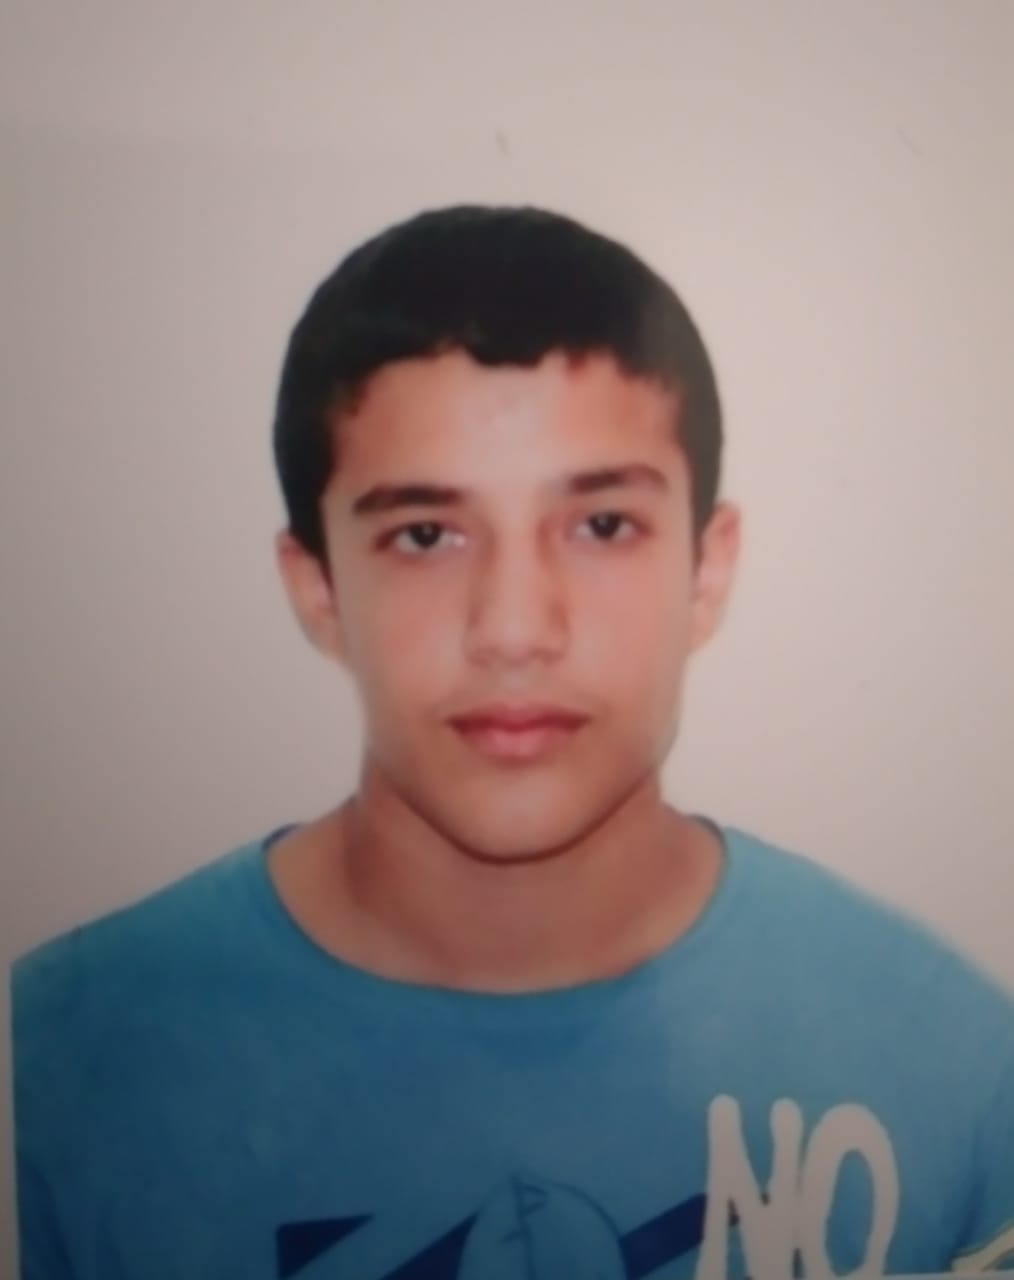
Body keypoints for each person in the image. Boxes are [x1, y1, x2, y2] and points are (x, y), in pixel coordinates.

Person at [11, 204, 1014, 1280]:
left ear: (706, 571)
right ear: (318, 590)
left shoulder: (949, 1060)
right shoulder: (57, 1065)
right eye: (426, 535)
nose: (515, 628)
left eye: (602, 524)